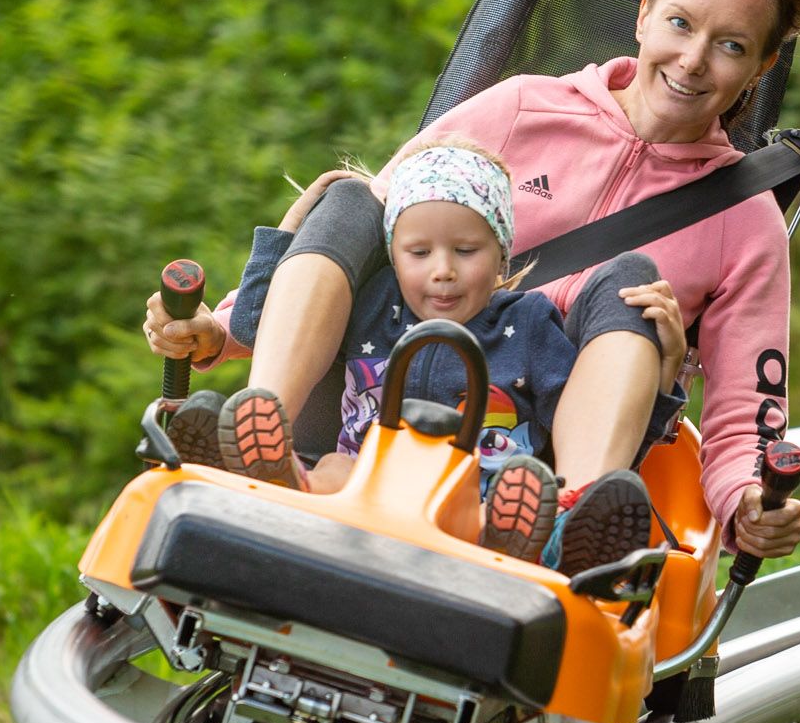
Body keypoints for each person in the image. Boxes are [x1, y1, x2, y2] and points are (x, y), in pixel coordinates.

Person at [148, 0, 800, 568]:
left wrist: (748, 500)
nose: (692, 61)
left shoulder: (745, 220)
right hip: (385, 386)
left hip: (546, 453)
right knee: (351, 198)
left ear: (759, 66)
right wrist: (219, 330)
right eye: (681, 25)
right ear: (645, 15)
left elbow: (747, 406)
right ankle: (262, 428)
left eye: (730, 46)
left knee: (632, 284)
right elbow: (378, 233)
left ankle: (571, 517)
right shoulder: (524, 106)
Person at [173, 140, 689, 567]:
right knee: (331, 468)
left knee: (513, 491)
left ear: (501, 252)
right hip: (364, 485)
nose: (442, 270)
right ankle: (277, 472)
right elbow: (260, 321)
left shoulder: (528, 325)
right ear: (393, 254)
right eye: (419, 253)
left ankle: (540, 535)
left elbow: (596, 418)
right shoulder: (372, 303)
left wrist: (663, 378)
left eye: (466, 251)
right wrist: (298, 223)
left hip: (477, 503)